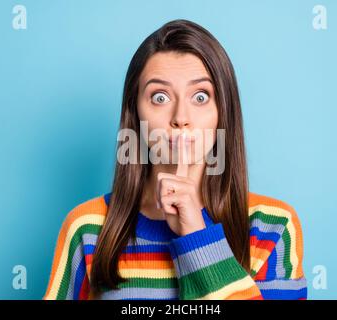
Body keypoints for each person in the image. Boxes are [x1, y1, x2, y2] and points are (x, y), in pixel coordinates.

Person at [43, 19, 307, 300]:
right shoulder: (87, 228)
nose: (181, 118)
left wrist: (195, 234)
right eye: (159, 97)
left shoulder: (272, 227)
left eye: (201, 96)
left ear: (223, 112)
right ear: (136, 114)